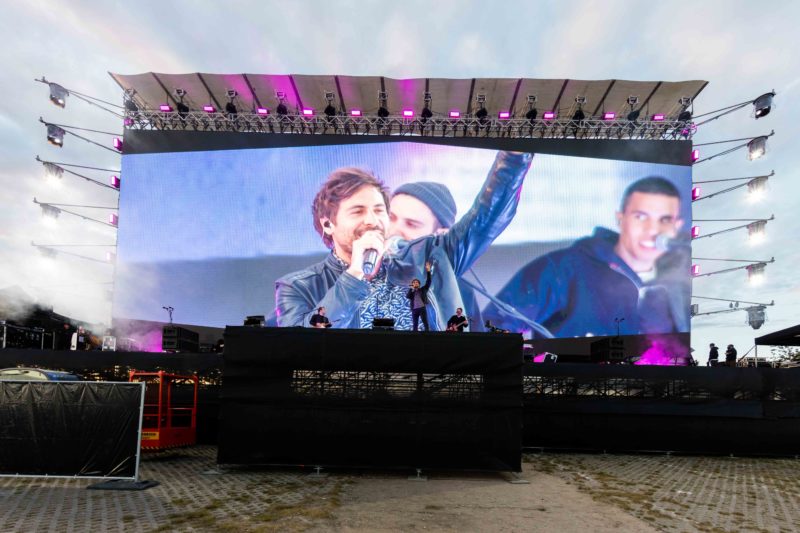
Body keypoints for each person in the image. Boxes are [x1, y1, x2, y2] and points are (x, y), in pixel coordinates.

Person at [274, 151, 534, 330]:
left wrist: (514, 157)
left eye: (379, 211)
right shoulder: (297, 287)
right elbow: (299, 349)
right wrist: (354, 276)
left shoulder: (429, 260)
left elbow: (486, 220)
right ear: (327, 224)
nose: (372, 220)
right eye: (357, 211)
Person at [483, 176, 689, 338]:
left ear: (677, 227)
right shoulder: (563, 268)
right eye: (640, 217)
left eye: (664, 220)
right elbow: (493, 325)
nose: (653, 230)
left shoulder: (682, 281)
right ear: (620, 219)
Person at [389, 181, 484, 331]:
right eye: (390, 218)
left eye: (411, 224)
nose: (393, 230)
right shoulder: (360, 267)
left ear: (439, 235)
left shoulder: (458, 290)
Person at [406, 263, 432, 331]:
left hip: (422, 308)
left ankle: (428, 334)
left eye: (417, 282)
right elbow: (408, 296)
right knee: (415, 324)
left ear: (419, 284)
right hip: (414, 309)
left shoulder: (423, 289)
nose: (415, 283)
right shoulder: (412, 291)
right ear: (412, 284)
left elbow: (428, 281)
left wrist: (428, 271)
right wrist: (411, 289)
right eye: (414, 282)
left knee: (425, 322)